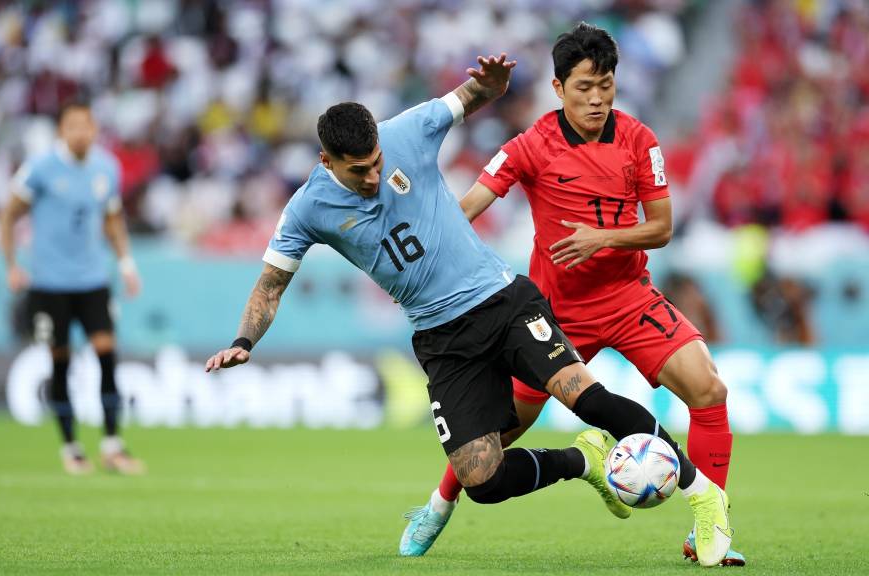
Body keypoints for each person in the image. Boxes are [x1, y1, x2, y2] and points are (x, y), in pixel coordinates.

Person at [205, 53, 733, 567]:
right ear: (327, 162)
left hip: (502, 300)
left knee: (584, 396)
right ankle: (582, 461)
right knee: (482, 479)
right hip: (441, 338)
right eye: (359, 171)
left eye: (377, 163)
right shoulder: (306, 209)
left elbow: (469, 95)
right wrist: (243, 341)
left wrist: (492, 84)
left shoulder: (407, 131)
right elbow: (270, 286)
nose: (373, 176)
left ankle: (703, 495)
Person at [399, 23, 744, 566]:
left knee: (708, 389)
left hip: (629, 298)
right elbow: (467, 208)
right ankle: (437, 506)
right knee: (496, 434)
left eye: (606, 85)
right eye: (584, 87)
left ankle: (709, 520)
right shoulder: (530, 145)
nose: (598, 98)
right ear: (559, 88)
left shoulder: (639, 140)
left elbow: (661, 228)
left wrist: (602, 238)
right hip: (552, 315)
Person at [0, 101, 145, 476]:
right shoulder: (40, 169)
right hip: (49, 284)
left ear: (94, 129)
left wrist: (126, 264)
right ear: (61, 131)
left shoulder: (106, 168)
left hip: (93, 280)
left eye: (86, 126)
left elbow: (112, 219)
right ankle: (71, 448)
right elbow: (9, 214)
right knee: (60, 361)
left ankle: (112, 446)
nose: (80, 133)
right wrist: (12, 264)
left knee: (106, 355)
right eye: (72, 126)